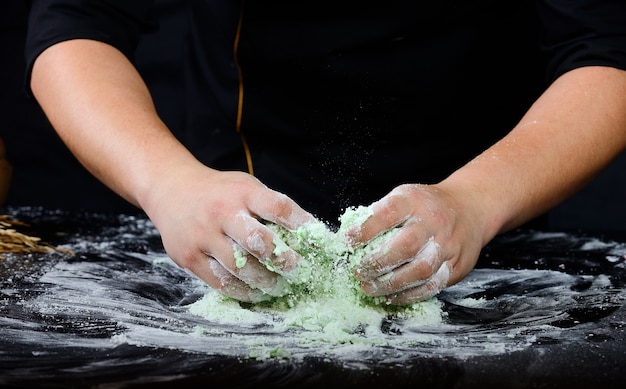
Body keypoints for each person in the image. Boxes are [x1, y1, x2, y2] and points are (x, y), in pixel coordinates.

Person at [24, 1, 626, 305]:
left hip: (488, 238)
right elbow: (76, 26)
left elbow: (608, 50)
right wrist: (169, 183)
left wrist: (478, 200)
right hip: (232, 233)